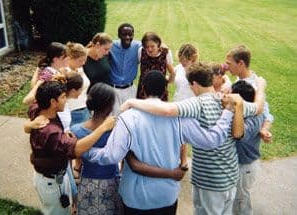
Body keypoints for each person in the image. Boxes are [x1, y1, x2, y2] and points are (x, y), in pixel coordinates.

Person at [82, 70, 242, 214]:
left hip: (136, 198)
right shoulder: (180, 119)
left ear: (143, 89)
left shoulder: (127, 118)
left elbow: (111, 156)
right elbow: (212, 140)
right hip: (166, 195)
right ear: (165, 90)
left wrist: (85, 150)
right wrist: (228, 112)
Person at [121, 63, 266, 215]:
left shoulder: (196, 104)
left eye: (190, 85)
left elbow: (169, 109)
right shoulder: (232, 102)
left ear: (195, 84)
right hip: (230, 177)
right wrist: (261, 87)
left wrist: (132, 102)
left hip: (209, 180)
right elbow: (258, 107)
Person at [24, 80, 115, 215]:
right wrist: (103, 128)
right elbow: (76, 149)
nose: (66, 100)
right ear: (52, 102)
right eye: (62, 97)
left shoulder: (38, 109)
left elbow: (33, 100)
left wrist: (27, 125)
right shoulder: (51, 132)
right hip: (52, 183)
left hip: (53, 177)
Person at [70, 83, 122, 215]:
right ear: (110, 106)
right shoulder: (117, 129)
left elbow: (77, 158)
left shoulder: (77, 130)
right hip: (112, 182)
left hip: (88, 183)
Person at [225, 45, 273, 143]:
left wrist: (264, 129)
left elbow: (265, 111)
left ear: (240, 64)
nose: (226, 67)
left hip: (244, 144)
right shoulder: (242, 78)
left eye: (229, 64)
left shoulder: (253, 87)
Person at [231, 80, 265, 215]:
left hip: (245, 167)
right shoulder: (254, 111)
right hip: (239, 164)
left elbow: (238, 134)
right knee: (235, 198)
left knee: (240, 199)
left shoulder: (251, 119)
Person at [108, 23, 141, 116]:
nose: (127, 37)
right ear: (119, 35)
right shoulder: (111, 46)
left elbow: (153, 43)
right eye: (124, 34)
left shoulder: (137, 46)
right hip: (113, 90)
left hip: (130, 90)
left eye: (130, 35)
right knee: (113, 119)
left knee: (130, 117)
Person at [136, 32, 175, 101]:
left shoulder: (165, 53)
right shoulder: (141, 51)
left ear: (158, 43)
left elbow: (172, 72)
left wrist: (168, 81)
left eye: (152, 46)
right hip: (143, 90)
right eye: (147, 47)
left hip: (160, 91)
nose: (149, 49)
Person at [65, 41, 91, 126]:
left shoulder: (80, 68)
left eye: (84, 60)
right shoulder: (64, 71)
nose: (83, 63)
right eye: (80, 61)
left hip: (85, 108)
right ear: (70, 58)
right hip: (72, 110)